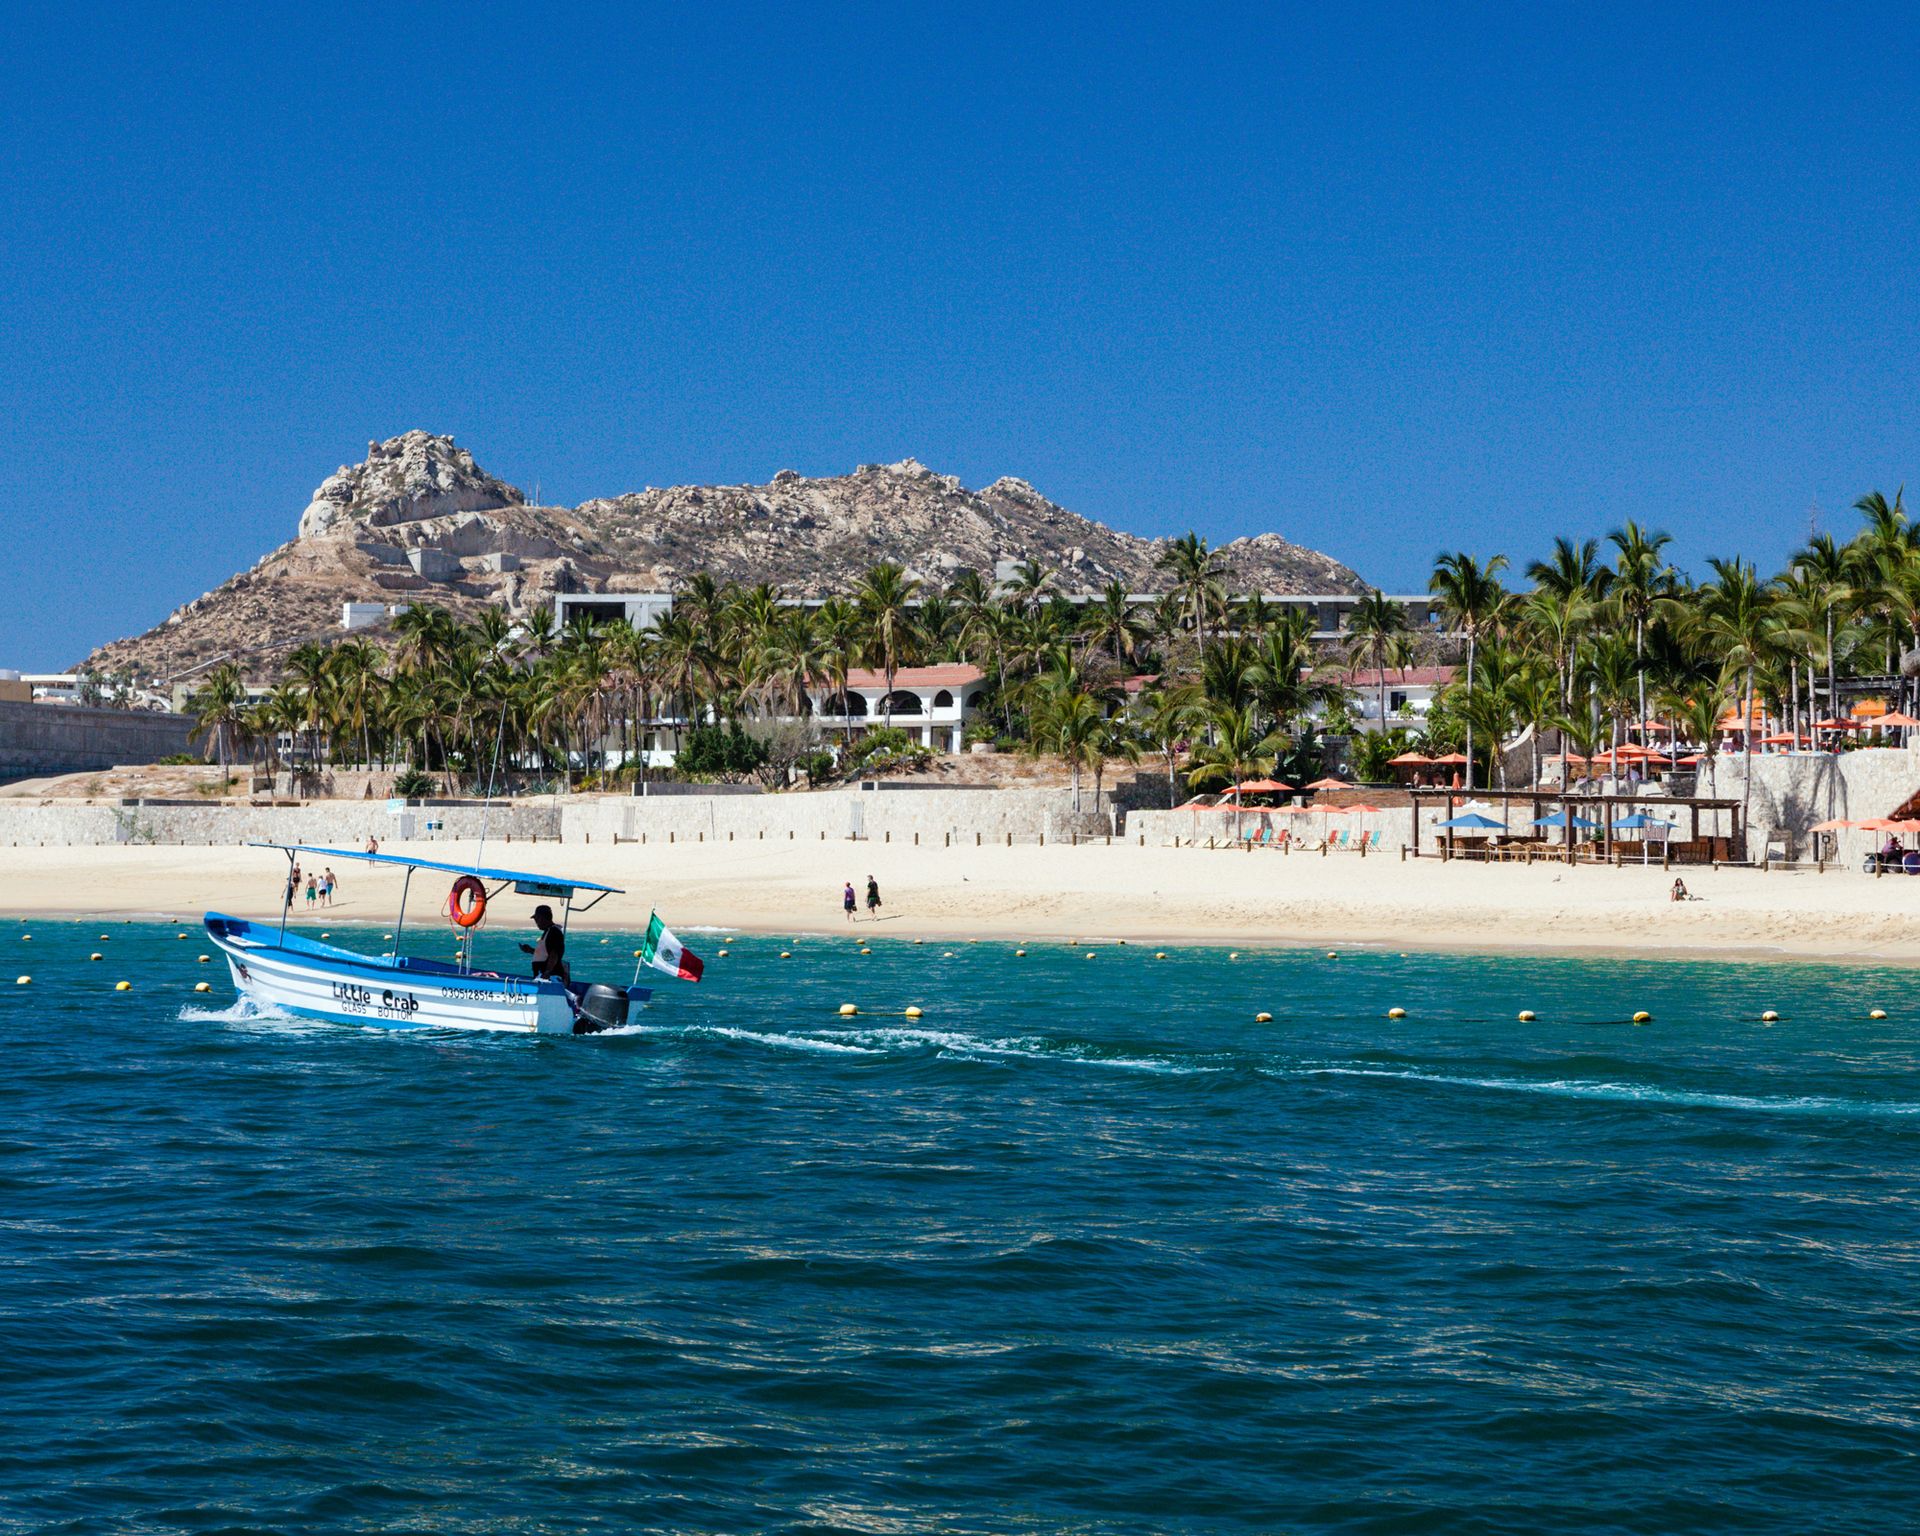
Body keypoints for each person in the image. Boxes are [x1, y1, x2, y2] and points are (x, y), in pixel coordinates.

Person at [520, 904, 568, 981]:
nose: (536, 922)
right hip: (543, 975)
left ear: (542, 918)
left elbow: (554, 954)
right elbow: (545, 953)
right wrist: (530, 950)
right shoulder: (548, 931)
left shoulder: (554, 932)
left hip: (549, 977)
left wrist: (547, 972)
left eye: (536, 919)